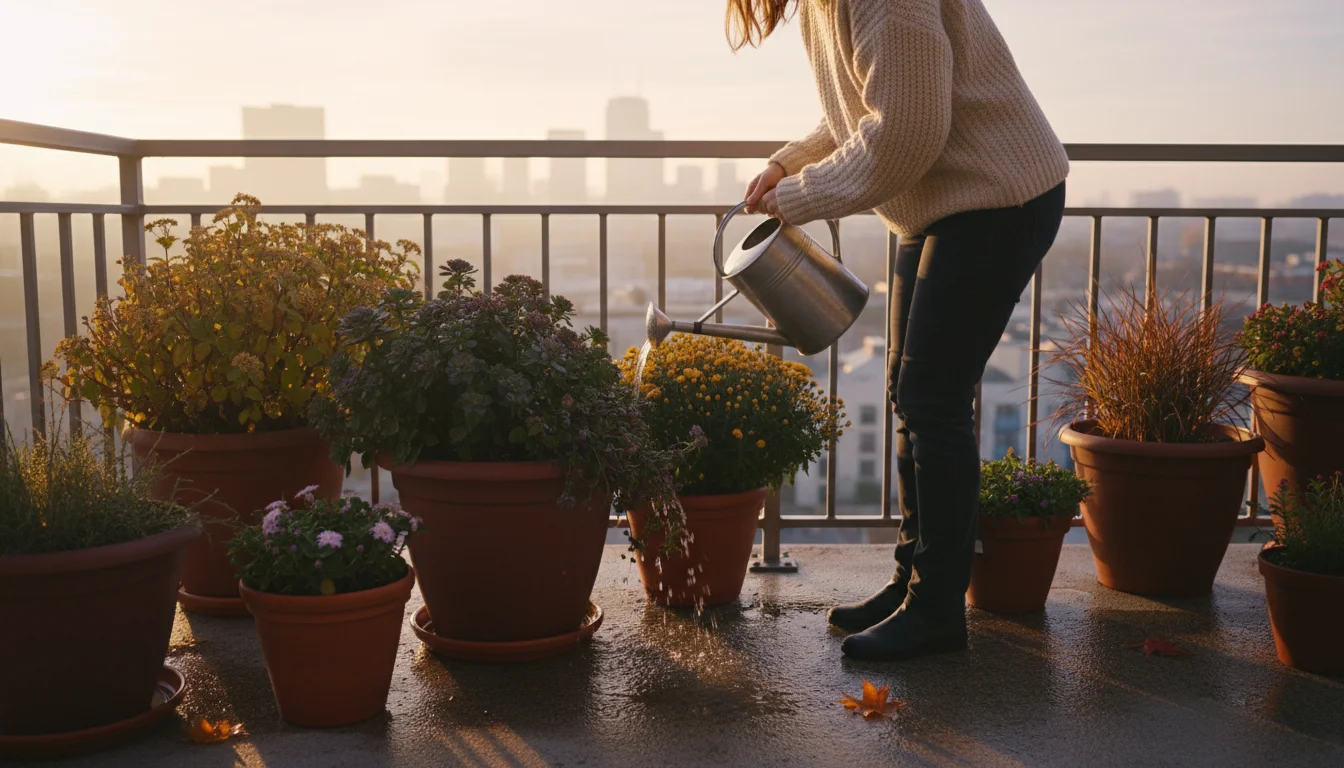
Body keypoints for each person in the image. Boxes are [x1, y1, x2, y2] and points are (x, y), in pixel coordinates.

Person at [730, 0, 1069, 661]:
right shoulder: (825, 6)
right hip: (941, 203)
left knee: (931, 400)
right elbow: (863, 112)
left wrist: (797, 197)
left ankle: (937, 611)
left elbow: (907, 133)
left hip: (997, 196)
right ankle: (913, 585)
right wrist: (791, 160)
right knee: (909, 393)